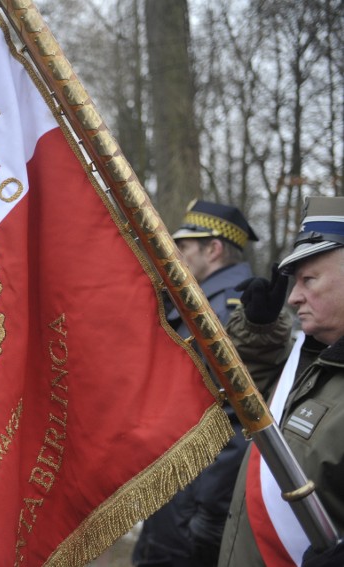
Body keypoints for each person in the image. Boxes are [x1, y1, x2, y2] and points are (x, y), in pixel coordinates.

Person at [134, 200, 262, 567]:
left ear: (215, 249)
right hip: (178, 495)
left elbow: (234, 423)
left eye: (185, 248)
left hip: (193, 503)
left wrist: (207, 514)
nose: (176, 256)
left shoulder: (232, 312)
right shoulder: (197, 303)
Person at [218, 196, 344, 567]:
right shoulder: (313, 357)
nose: (293, 297)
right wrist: (259, 331)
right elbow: (246, 403)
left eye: (309, 280)